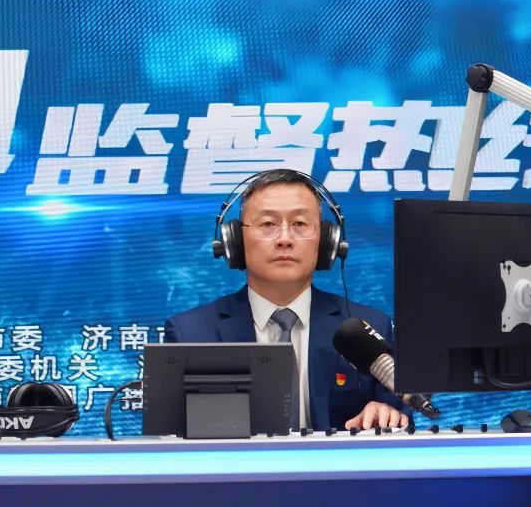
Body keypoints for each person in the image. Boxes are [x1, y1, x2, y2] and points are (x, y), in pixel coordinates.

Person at [164, 169, 408, 431]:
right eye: (268, 224)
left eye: (300, 224)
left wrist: (387, 413)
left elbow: (400, 414)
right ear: (235, 240)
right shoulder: (191, 334)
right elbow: (171, 437)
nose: (284, 239)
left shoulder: (367, 328)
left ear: (327, 240)